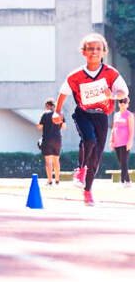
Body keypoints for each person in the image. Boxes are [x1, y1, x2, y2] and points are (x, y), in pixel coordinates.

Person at [53, 33, 128, 206]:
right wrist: (57, 112)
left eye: (98, 49)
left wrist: (112, 95)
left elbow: (124, 92)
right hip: (83, 113)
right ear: (83, 52)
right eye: (90, 49)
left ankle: (87, 191)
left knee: (96, 157)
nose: (94, 52)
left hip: (101, 116)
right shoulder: (76, 76)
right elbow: (63, 93)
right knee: (89, 140)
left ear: (104, 52)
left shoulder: (110, 73)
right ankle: (80, 170)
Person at [37, 99, 65, 186]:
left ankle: (49, 181)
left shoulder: (45, 114)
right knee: (56, 160)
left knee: (48, 161)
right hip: (57, 139)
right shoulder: (60, 114)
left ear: (48, 106)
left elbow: (39, 127)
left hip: (47, 139)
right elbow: (64, 126)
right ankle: (57, 180)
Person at [110, 97, 133, 187]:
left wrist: (130, 142)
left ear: (127, 104)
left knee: (124, 162)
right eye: (120, 101)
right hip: (117, 142)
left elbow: (132, 130)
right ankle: (128, 181)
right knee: (121, 162)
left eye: (124, 102)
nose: (122, 103)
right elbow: (113, 128)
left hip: (125, 143)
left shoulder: (129, 115)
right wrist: (111, 141)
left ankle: (122, 181)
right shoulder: (116, 115)